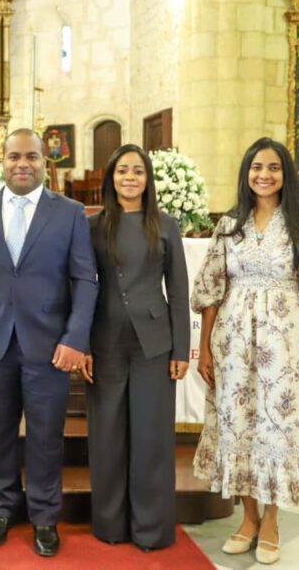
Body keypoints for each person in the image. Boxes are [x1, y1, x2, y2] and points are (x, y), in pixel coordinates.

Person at [192, 137, 299, 565]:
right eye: (257, 166)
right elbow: (210, 291)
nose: (264, 174)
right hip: (233, 342)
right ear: (246, 172)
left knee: (277, 427)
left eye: (273, 167)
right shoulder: (229, 225)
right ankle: (248, 517)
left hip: (286, 344)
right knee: (238, 425)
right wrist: (204, 349)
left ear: (285, 174)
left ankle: (272, 519)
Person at [0, 128, 98, 558]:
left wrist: (75, 338)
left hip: (50, 344)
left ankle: (44, 515)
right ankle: (1, 507)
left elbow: (85, 280)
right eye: (14, 156)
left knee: (46, 434)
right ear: (2, 159)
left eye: (31, 156)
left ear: (44, 162)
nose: (22, 164)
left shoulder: (70, 213)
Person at [86, 144, 190, 551]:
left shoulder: (166, 225)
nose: (130, 177)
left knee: (151, 438)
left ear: (148, 179)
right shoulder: (93, 226)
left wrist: (181, 349)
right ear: (110, 178)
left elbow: (178, 291)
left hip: (155, 345)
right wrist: (82, 345)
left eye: (138, 171)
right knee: (107, 437)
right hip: (106, 341)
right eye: (122, 171)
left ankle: (151, 529)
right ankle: (110, 524)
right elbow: (81, 288)